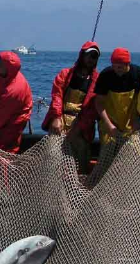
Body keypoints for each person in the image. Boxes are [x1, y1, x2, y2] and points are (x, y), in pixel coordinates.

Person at [42, 42, 101, 174]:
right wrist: (57, 117)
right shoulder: (65, 74)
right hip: (60, 121)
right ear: (82, 55)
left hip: (81, 127)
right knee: (52, 158)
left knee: (81, 158)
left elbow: (91, 110)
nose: (91, 59)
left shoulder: (97, 81)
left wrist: (78, 129)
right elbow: (57, 95)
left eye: (94, 56)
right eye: (89, 55)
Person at [94, 47, 140, 147]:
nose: (117, 70)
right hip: (109, 121)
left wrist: (137, 120)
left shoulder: (138, 74)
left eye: (120, 67)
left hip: (130, 122)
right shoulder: (105, 75)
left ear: (128, 64)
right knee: (108, 148)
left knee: (134, 149)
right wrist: (108, 124)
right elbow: (99, 103)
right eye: (114, 66)